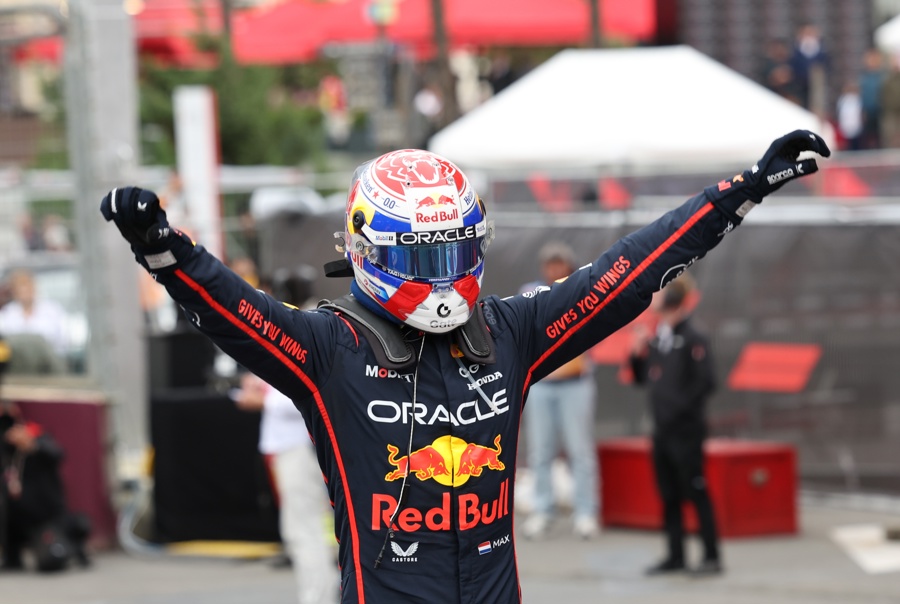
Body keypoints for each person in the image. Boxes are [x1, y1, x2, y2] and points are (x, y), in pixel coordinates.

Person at [100, 130, 829, 603]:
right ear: (369, 251)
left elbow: (625, 273)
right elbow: (237, 311)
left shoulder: (511, 331)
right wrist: (165, 251)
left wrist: (736, 194)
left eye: (454, 254)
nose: (443, 278)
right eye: (422, 259)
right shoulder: (327, 349)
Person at [233, 267, 339, 604]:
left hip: (302, 448)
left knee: (305, 531)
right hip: (296, 447)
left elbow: (309, 393)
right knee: (315, 530)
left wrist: (264, 396)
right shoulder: (312, 322)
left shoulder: (308, 326)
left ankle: (319, 598)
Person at [628, 273, 721, 576]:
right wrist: (637, 352)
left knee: (696, 490)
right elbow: (642, 378)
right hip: (662, 432)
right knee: (668, 495)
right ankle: (675, 555)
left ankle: (711, 556)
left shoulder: (694, 337)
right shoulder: (660, 338)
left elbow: (706, 383)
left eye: (663, 293)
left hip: (686, 432)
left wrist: (679, 411)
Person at [520, 242, 598, 540]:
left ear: (568, 266)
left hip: (575, 385)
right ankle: (543, 509)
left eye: (559, 264)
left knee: (580, 450)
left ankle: (586, 512)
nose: (554, 269)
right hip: (542, 384)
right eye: (550, 264)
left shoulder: (581, 291)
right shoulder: (532, 291)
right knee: (540, 451)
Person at [0, 403, 90, 572]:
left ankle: (74, 549)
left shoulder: (38, 437)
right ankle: (12, 557)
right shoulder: (6, 451)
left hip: (46, 517)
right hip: (16, 517)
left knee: (51, 561)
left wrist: (32, 445)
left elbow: (57, 454)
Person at [0, 269, 68, 358]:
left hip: (49, 361)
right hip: (18, 364)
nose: (25, 291)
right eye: (21, 288)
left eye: (27, 286)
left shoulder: (52, 310)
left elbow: (63, 341)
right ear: (14, 292)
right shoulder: (6, 314)